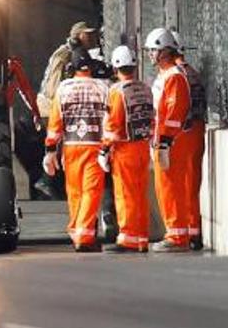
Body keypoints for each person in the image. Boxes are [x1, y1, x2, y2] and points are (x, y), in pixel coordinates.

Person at [42, 57, 109, 252]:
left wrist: (50, 150)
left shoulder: (64, 88)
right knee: (91, 191)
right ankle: (84, 235)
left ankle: (75, 230)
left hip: (71, 146)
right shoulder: (103, 87)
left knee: (75, 192)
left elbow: (55, 123)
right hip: (95, 144)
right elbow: (110, 118)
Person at [144, 27, 197, 252]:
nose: (150, 54)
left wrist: (165, 140)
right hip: (165, 140)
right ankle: (176, 233)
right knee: (167, 188)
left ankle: (177, 237)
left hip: (172, 142)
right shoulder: (166, 76)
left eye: (153, 50)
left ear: (164, 51)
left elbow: (175, 111)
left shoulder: (174, 77)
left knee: (171, 188)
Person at [100, 45, 154, 253]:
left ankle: (128, 238)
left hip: (124, 150)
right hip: (142, 147)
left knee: (125, 194)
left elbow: (113, 125)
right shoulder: (145, 88)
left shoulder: (116, 91)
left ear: (115, 67)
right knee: (140, 193)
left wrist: (104, 149)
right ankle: (141, 237)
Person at [175, 37, 207, 250]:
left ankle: (185, 231)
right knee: (192, 183)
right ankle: (193, 230)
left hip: (183, 132)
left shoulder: (177, 76)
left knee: (179, 184)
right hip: (197, 130)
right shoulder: (193, 72)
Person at [39, 21, 101, 118]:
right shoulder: (64, 54)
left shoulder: (78, 54)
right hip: (50, 109)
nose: (92, 38)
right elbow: (53, 87)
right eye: (88, 35)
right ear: (80, 35)